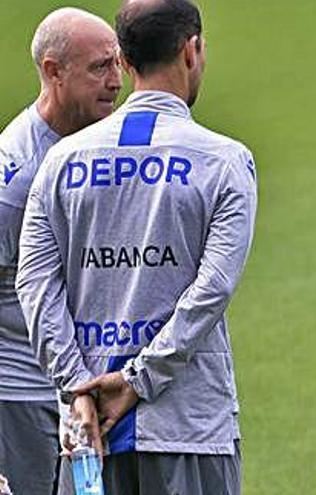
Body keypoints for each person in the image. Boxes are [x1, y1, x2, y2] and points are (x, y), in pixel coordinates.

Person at [15, 0, 257, 493]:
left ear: (123, 62)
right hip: (187, 429)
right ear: (192, 50)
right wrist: (138, 380)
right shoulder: (226, 162)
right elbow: (210, 291)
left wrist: (76, 387)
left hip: (87, 438)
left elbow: (35, 285)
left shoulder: (60, 162)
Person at [0, 8, 120, 495]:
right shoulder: (15, 176)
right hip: (21, 398)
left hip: (80, 390)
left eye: (118, 64)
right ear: (53, 71)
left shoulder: (96, 146)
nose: (116, 82)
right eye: (98, 68)